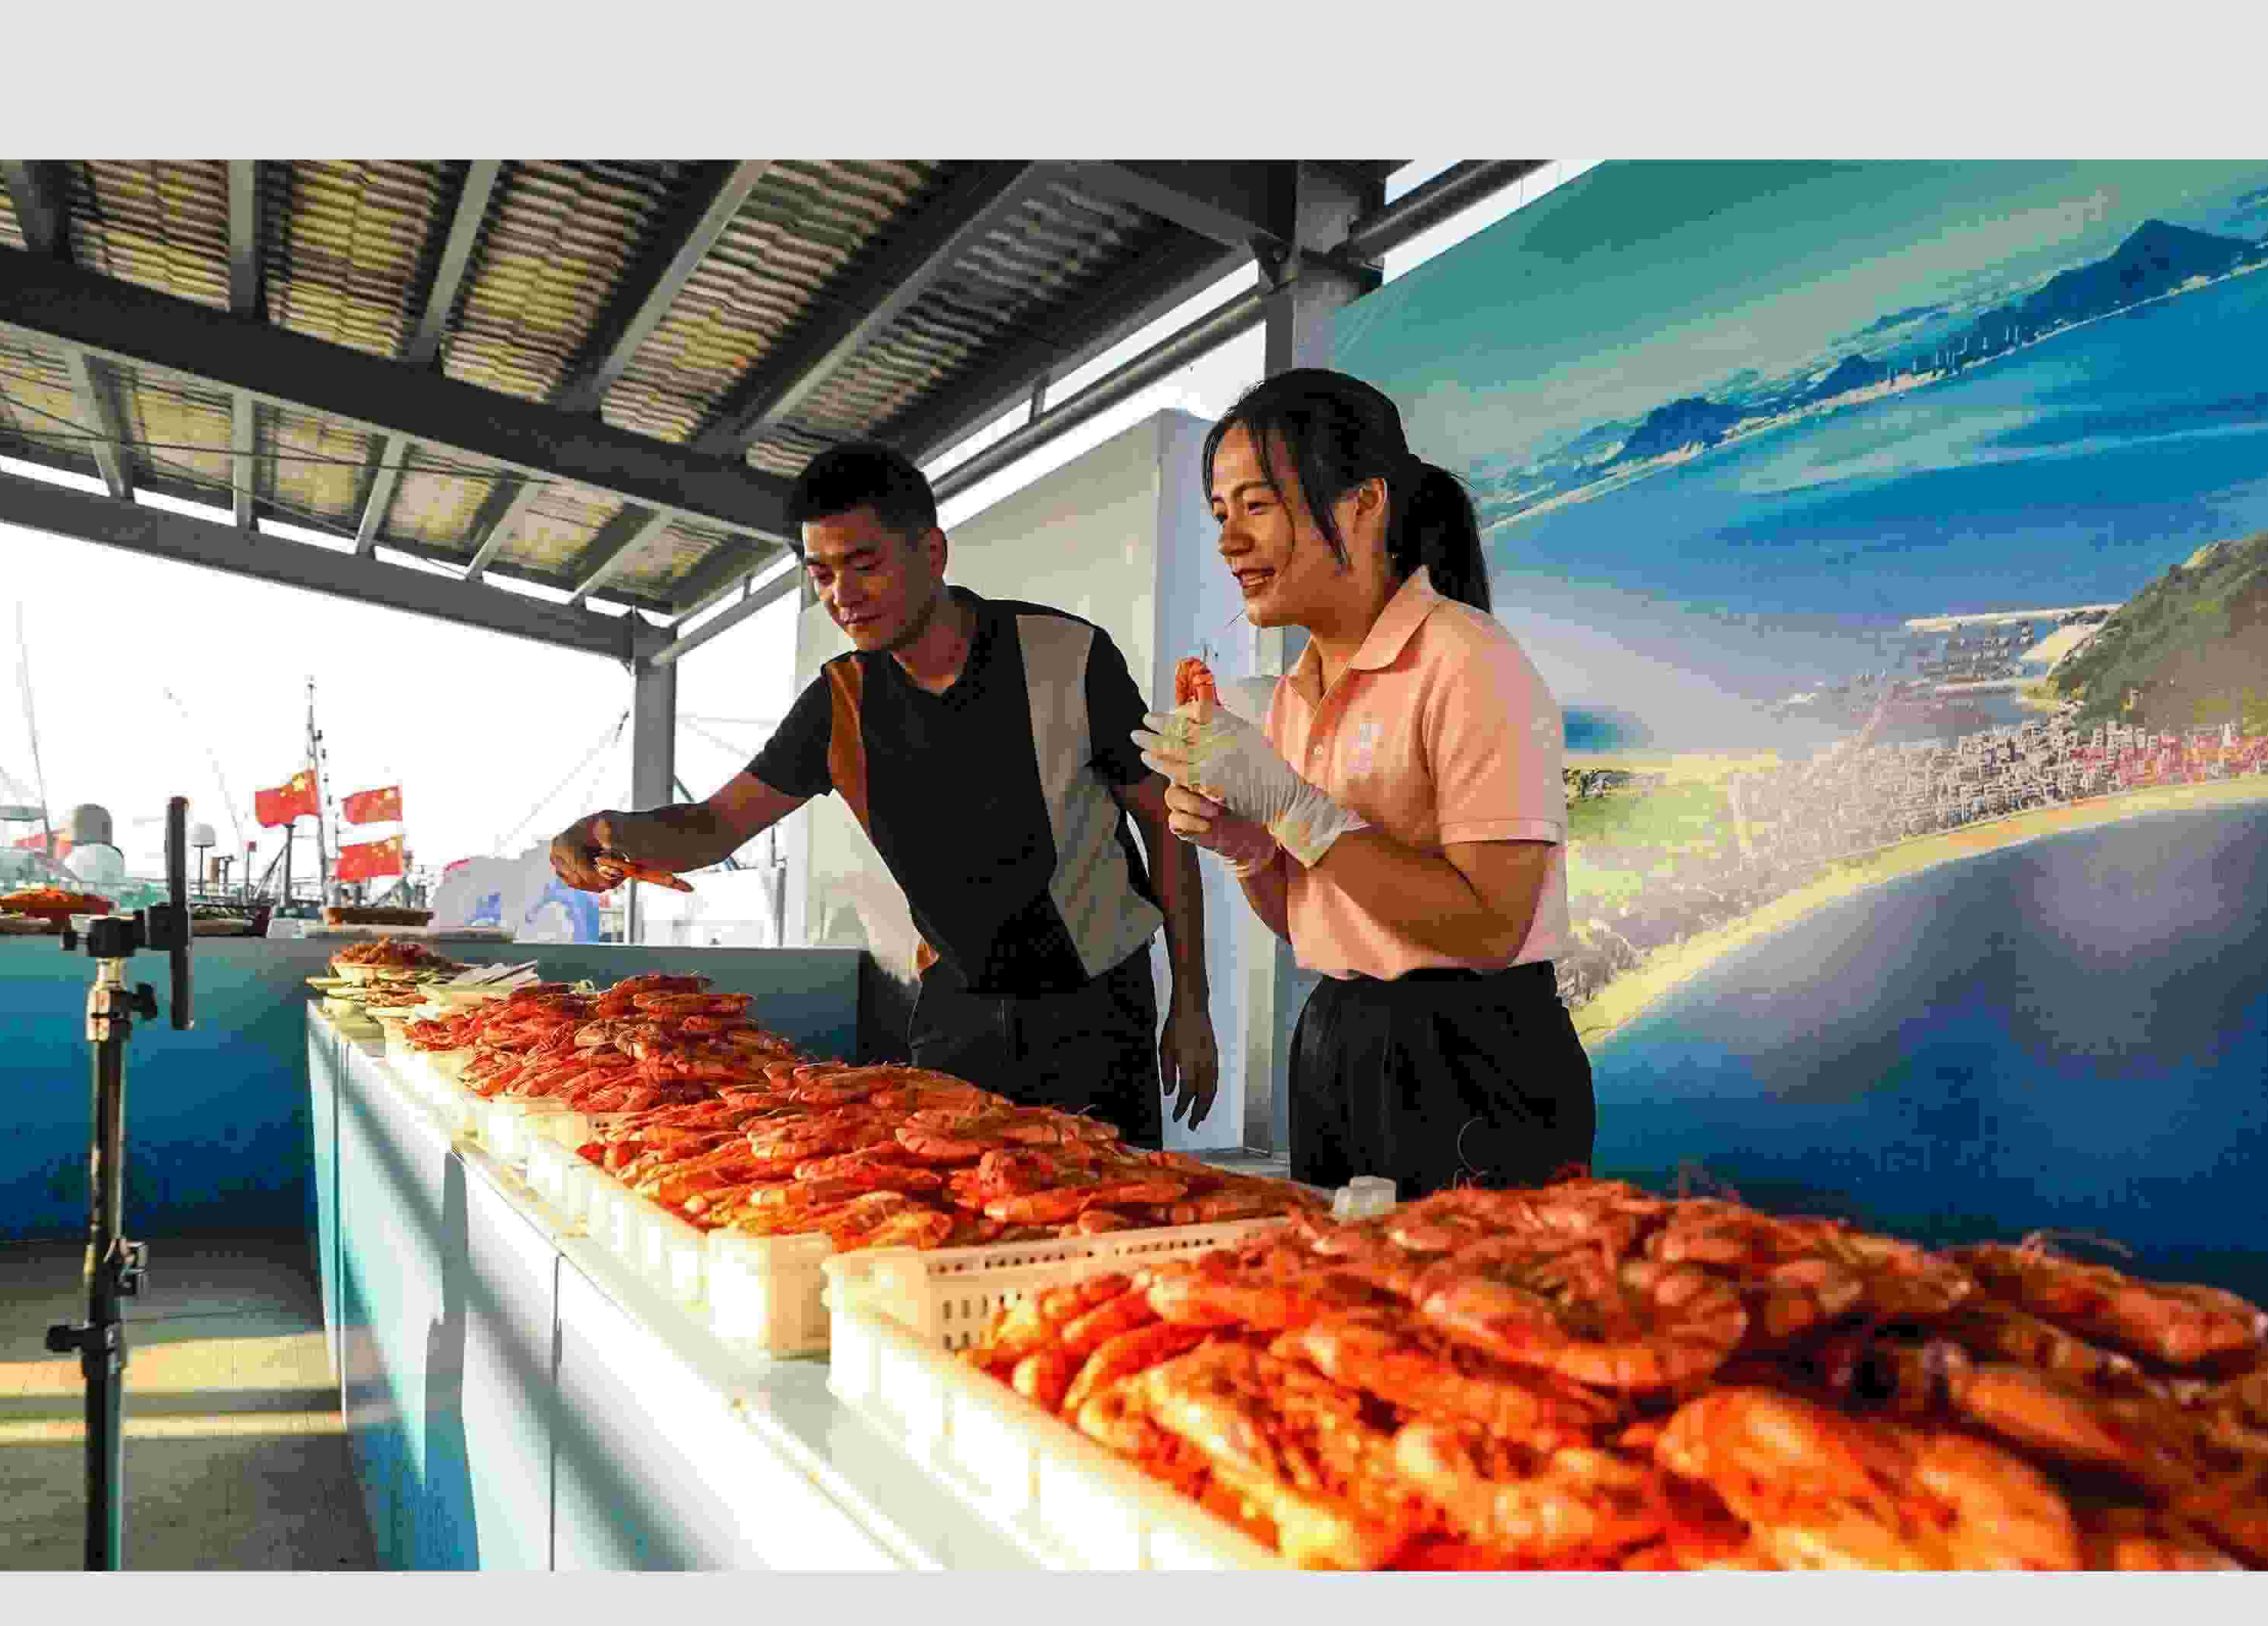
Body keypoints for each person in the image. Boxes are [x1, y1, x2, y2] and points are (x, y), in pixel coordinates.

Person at [551, 441, 1217, 1148]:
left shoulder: (1068, 655)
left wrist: (1192, 1004)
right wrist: (603, 831)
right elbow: (714, 825)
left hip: (1096, 1008)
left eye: (864, 565)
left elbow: (1166, 823)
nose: (842, 595)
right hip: (955, 1010)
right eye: (822, 574)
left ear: (932, 552)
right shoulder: (839, 702)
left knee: (1112, 1202)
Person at [1135, 368, 1593, 1198]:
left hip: (1471, 1053)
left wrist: (1295, 808)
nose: (1230, 541)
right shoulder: (1293, 696)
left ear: (1362, 503)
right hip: (1338, 1038)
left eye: (1257, 505)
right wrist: (1246, 845)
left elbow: (1490, 927)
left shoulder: (1467, 660)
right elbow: (1309, 919)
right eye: (1220, 513)